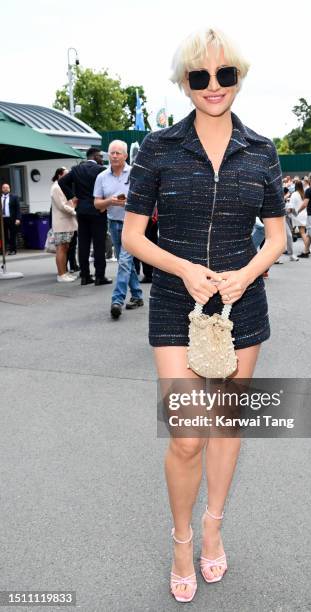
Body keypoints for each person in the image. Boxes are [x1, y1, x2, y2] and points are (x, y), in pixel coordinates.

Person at [122, 27, 286, 603]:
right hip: (175, 299)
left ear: (239, 79)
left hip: (243, 302)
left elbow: (277, 233)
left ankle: (214, 524)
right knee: (188, 433)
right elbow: (134, 236)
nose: (213, 86)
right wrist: (184, 268)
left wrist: (250, 271)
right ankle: (182, 537)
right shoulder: (159, 148)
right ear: (184, 82)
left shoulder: (262, 150)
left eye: (225, 75)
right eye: (200, 76)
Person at [94, 140, 144, 319]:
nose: (114, 156)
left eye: (117, 153)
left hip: (132, 224)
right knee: (127, 263)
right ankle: (137, 296)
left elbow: (144, 200)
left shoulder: (134, 173)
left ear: (125, 155)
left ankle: (117, 300)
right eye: (111, 153)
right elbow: (97, 204)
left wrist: (127, 202)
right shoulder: (102, 177)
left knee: (123, 261)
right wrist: (110, 201)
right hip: (113, 223)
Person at [59, 147, 112, 286]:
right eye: (100, 156)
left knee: (83, 245)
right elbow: (107, 188)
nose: (102, 159)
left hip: (81, 210)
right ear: (94, 157)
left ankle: (85, 276)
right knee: (99, 244)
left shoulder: (76, 169)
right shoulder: (101, 170)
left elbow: (61, 182)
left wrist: (73, 197)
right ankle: (100, 276)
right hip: (97, 210)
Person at [50, 167, 78, 282]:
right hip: (62, 222)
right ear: (59, 175)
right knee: (61, 248)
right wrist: (74, 210)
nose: (69, 177)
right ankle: (61, 274)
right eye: (66, 175)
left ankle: (64, 272)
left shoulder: (61, 186)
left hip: (66, 222)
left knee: (65, 247)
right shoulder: (56, 187)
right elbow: (62, 206)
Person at [288, 179, 308, 252]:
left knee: (302, 232)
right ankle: (307, 247)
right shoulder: (304, 193)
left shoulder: (294, 194)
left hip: (297, 214)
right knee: (304, 232)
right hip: (304, 214)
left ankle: (307, 247)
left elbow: (291, 205)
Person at [1, 183, 21, 255]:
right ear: (2, 189)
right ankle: (4, 250)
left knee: (12, 235)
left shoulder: (14, 197)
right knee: (3, 235)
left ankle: (13, 250)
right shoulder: (1, 197)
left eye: (7, 187)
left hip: (12, 219)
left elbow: (18, 209)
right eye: (4, 187)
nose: (6, 189)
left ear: (9, 189)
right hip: (2, 219)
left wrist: (18, 218)